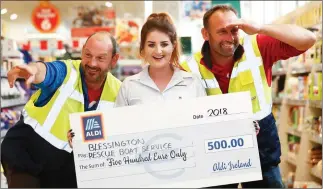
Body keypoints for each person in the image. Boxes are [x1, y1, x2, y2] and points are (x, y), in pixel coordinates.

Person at [181, 4, 316, 188]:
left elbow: (308, 39)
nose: (230, 38)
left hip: (262, 152)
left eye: (234, 30)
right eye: (222, 31)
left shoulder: (257, 47)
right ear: (205, 34)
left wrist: (260, 28)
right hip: (215, 157)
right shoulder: (189, 68)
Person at [1, 31, 121, 188]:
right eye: (87, 55)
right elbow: (47, 71)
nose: (92, 63)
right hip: (26, 154)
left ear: (114, 60)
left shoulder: (119, 92)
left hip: (65, 168)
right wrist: (34, 70)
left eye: (100, 58)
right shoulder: (68, 71)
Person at [114, 12, 206, 107]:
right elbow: (119, 121)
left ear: (173, 46)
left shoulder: (193, 82)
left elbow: (204, 119)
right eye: (151, 45)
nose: (158, 51)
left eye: (164, 44)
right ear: (143, 47)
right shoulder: (129, 86)